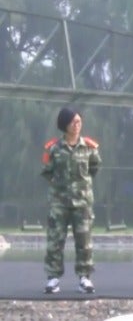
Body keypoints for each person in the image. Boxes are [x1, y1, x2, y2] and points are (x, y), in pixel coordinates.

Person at [41, 108, 101, 294]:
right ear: (64, 125)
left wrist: (81, 189)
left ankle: (84, 278)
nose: (77, 125)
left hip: (82, 204)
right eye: (73, 122)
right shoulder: (53, 148)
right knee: (55, 241)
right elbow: (47, 171)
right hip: (59, 204)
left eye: (79, 121)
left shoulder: (90, 148)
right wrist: (60, 189)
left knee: (84, 242)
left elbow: (94, 168)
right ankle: (53, 278)